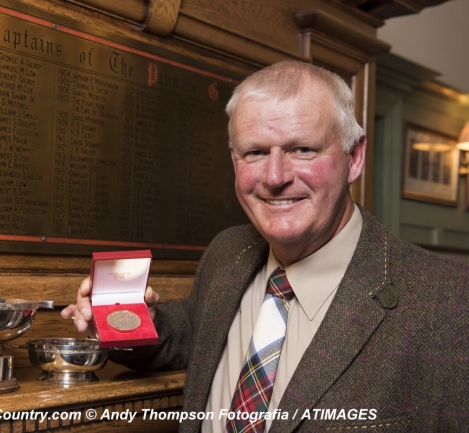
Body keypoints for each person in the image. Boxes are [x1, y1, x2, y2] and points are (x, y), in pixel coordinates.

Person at [61, 60, 468, 433]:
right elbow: (186, 333)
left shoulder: (449, 305)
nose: (275, 177)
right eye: (255, 152)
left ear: (354, 157)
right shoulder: (228, 253)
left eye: (302, 149)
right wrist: (126, 321)